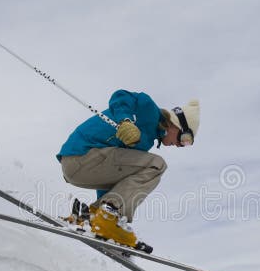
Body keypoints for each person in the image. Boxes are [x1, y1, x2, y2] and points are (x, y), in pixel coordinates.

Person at [56, 89, 200, 250]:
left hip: (81, 166)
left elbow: (116, 177)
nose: (180, 145)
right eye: (185, 139)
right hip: (81, 155)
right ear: (176, 124)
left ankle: (94, 217)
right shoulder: (149, 109)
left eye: (186, 143)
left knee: (142, 169)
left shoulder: (147, 140)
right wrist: (125, 121)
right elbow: (121, 96)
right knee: (157, 165)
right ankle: (108, 216)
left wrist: (99, 210)